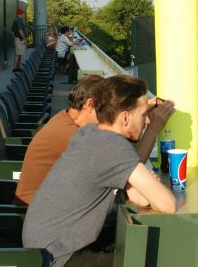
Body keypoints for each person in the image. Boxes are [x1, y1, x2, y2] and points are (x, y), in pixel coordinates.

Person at [22, 75, 176, 267]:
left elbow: (136, 191)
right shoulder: (110, 147)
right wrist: (153, 135)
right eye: (143, 115)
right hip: (57, 261)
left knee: (122, 233)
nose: (147, 120)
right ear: (124, 117)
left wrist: (148, 125)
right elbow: (168, 204)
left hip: (44, 247)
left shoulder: (91, 132)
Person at [15, 76, 175, 206]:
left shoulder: (68, 119)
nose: (110, 113)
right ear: (90, 105)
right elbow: (129, 165)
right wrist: (153, 128)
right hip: (41, 213)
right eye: (105, 107)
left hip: (52, 207)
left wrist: (137, 111)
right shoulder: (75, 136)